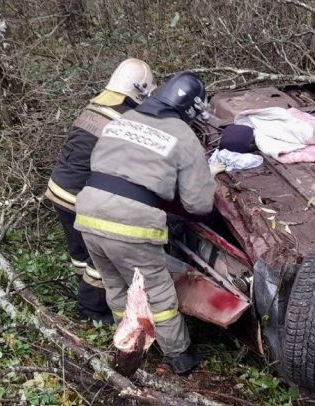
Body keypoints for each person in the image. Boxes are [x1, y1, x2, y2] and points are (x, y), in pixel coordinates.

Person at [74, 72, 216, 375]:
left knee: (114, 283)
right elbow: (199, 204)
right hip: (130, 222)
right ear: (191, 110)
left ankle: (129, 338)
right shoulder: (182, 135)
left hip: (87, 211)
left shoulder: (121, 120)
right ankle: (179, 356)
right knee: (158, 291)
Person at [46, 58, 155, 324]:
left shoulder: (96, 106)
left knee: (80, 250)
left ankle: (84, 288)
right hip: (81, 196)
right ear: (139, 90)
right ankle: (90, 308)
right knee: (101, 257)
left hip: (58, 189)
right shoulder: (127, 118)